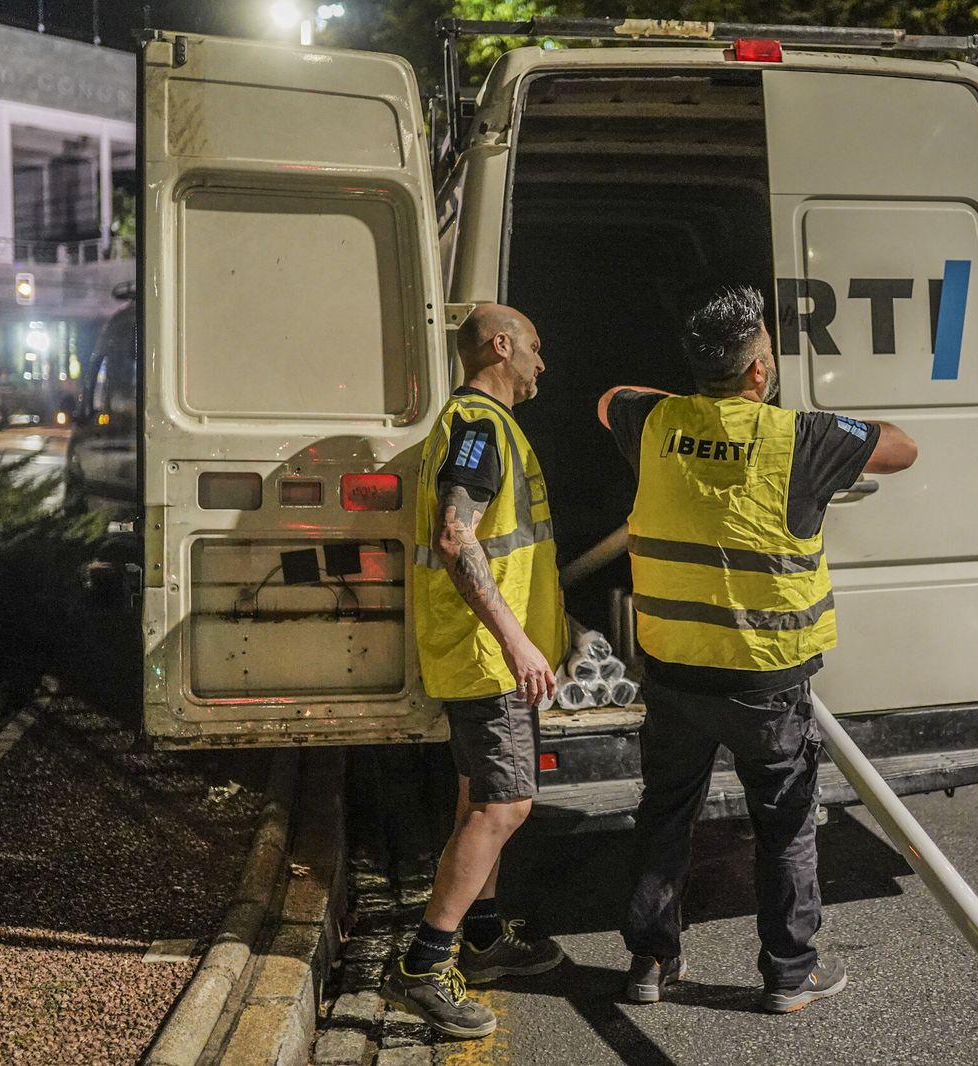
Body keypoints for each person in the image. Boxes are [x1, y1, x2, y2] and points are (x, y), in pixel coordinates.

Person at [597, 287, 918, 1014]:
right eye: (766, 352)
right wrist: (834, 426)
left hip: (675, 673)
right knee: (783, 824)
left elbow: (612, 394)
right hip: (765, 682)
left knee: (665, 816)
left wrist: (699, 392)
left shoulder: (652, 422)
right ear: (758, 372)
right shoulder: (800, 437)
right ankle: (787, 975)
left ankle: (649, 964)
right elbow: (902, 445)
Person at [380, 304, 567, 1039]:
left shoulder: (480, 425)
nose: (540, 364)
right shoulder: (481, 427)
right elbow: (457, 538)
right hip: (486, 655)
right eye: (535, 348)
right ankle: (422, 967)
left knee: (476, 798)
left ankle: (483, 941)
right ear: (501, 346)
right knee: (505, 807)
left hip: (482, 650)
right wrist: (518, 641)